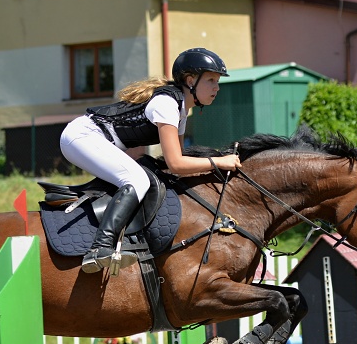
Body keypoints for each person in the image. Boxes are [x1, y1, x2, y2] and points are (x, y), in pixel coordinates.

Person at [60, 47, 241, 274]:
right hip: (82, 137)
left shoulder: (181, 110)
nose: (217, 87)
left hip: (96, 140)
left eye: (218, 81)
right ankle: (100, 247)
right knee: (137, 179)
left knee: (144, 177)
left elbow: (175, 161)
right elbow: (176, 163)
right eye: (211, 80)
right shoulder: (166, 104)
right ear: (190, 80)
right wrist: (220, 161)